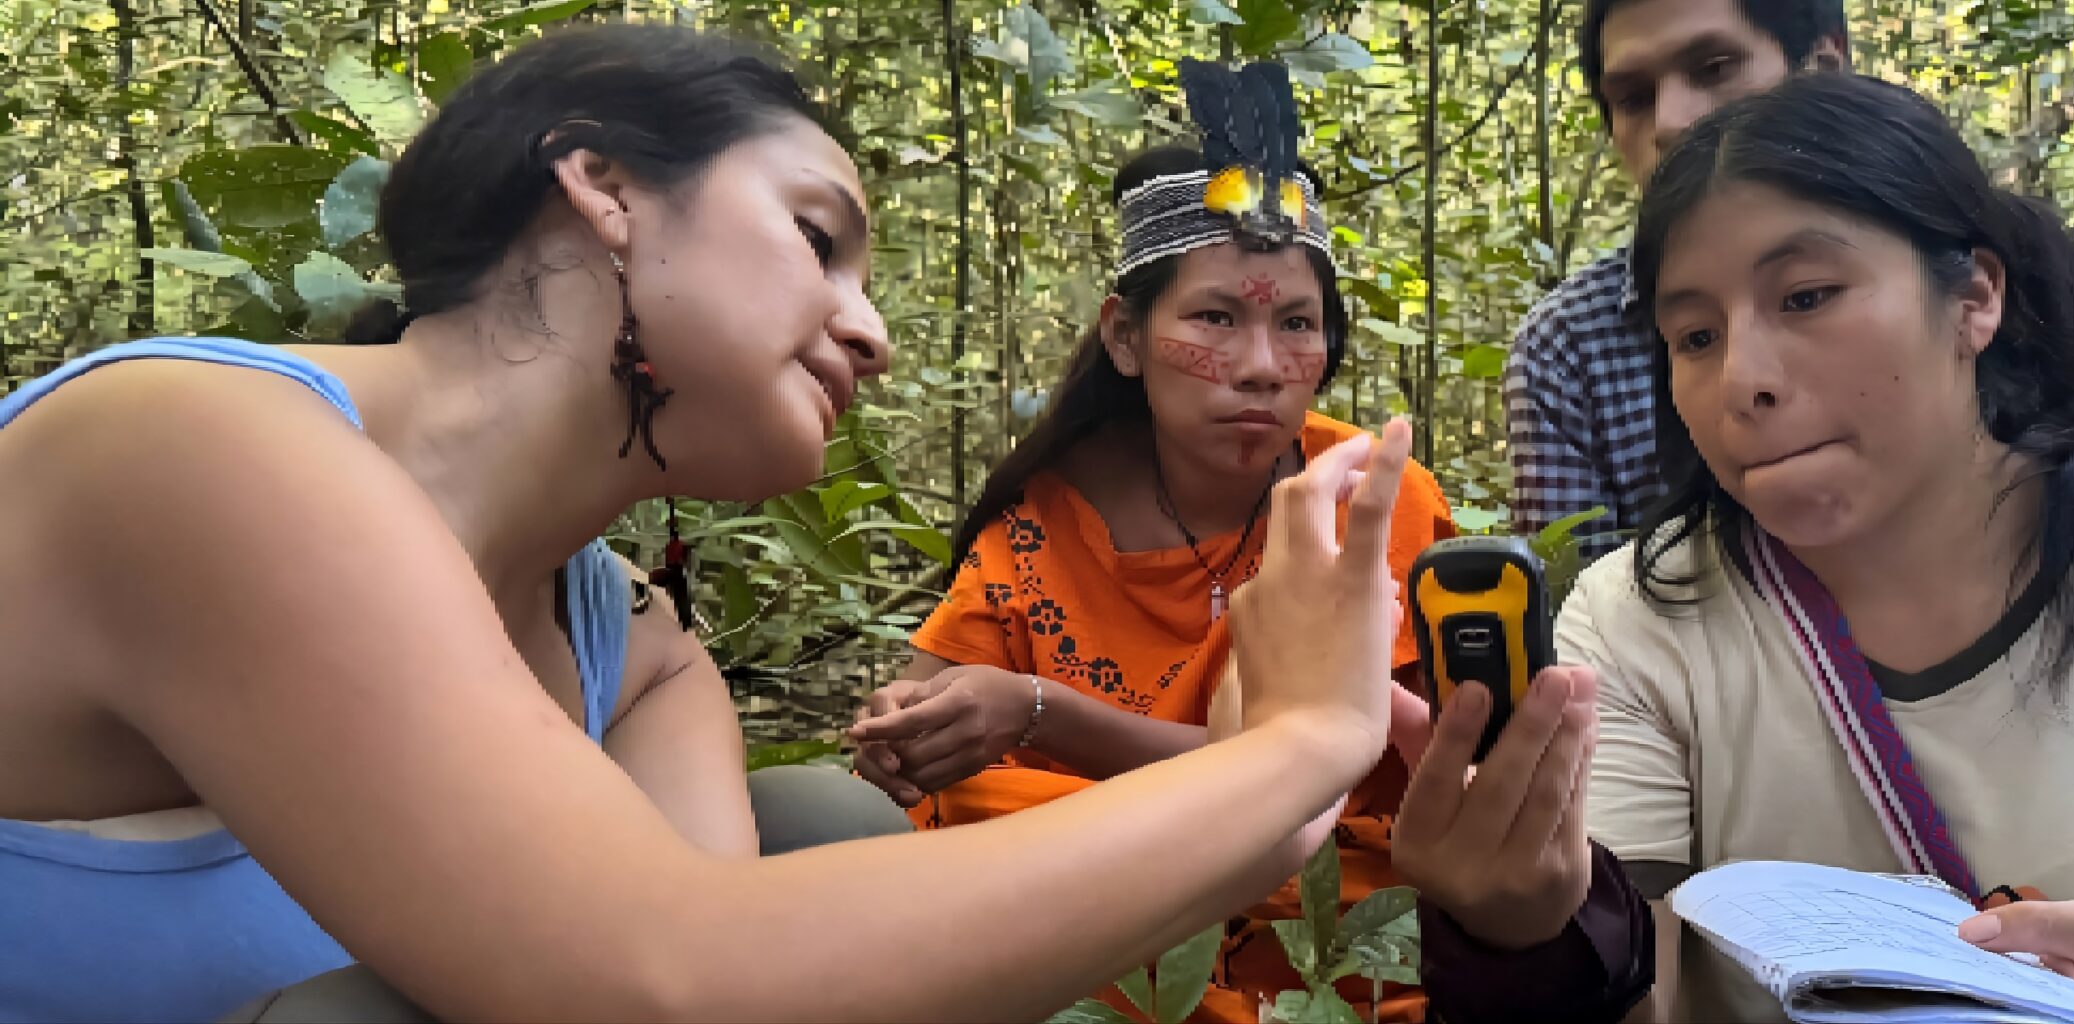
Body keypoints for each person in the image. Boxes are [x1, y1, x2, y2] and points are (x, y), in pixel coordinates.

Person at [0, 26, 1417, 1022]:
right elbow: (665, 977)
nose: (869, 331)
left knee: (820, 824)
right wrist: (1294, 751)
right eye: (817, 239)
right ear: (603, 188)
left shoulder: (638, 646)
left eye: (1296, 327)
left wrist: (1284, 767)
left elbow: (758, 981)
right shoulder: (197, 443)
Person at [1401, 73, 2074, 1023]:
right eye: (1695, 337)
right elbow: (1640, 989)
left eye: (1805, 297)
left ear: (1973, 298)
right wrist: (1518, 929)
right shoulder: (1639, 621)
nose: (1742, 379)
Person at [850, 73, 1457, 1017]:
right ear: (1126, 337)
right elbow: (922, 693)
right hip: (1093, 876)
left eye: (1297, 324)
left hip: (1312, 901)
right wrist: (905, 732)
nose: (1261, 367)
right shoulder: (1047, 516)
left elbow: (1316, 776)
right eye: (1217, 318)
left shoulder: (1371, 497)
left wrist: (1039, 712)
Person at [1507, 0, 1847, 561]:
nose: (1671, 122)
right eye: (1634, 98)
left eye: (1714, 68)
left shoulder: (1944, 258)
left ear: (1822, 67)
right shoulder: (1570, 344)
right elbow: (1571, 596)